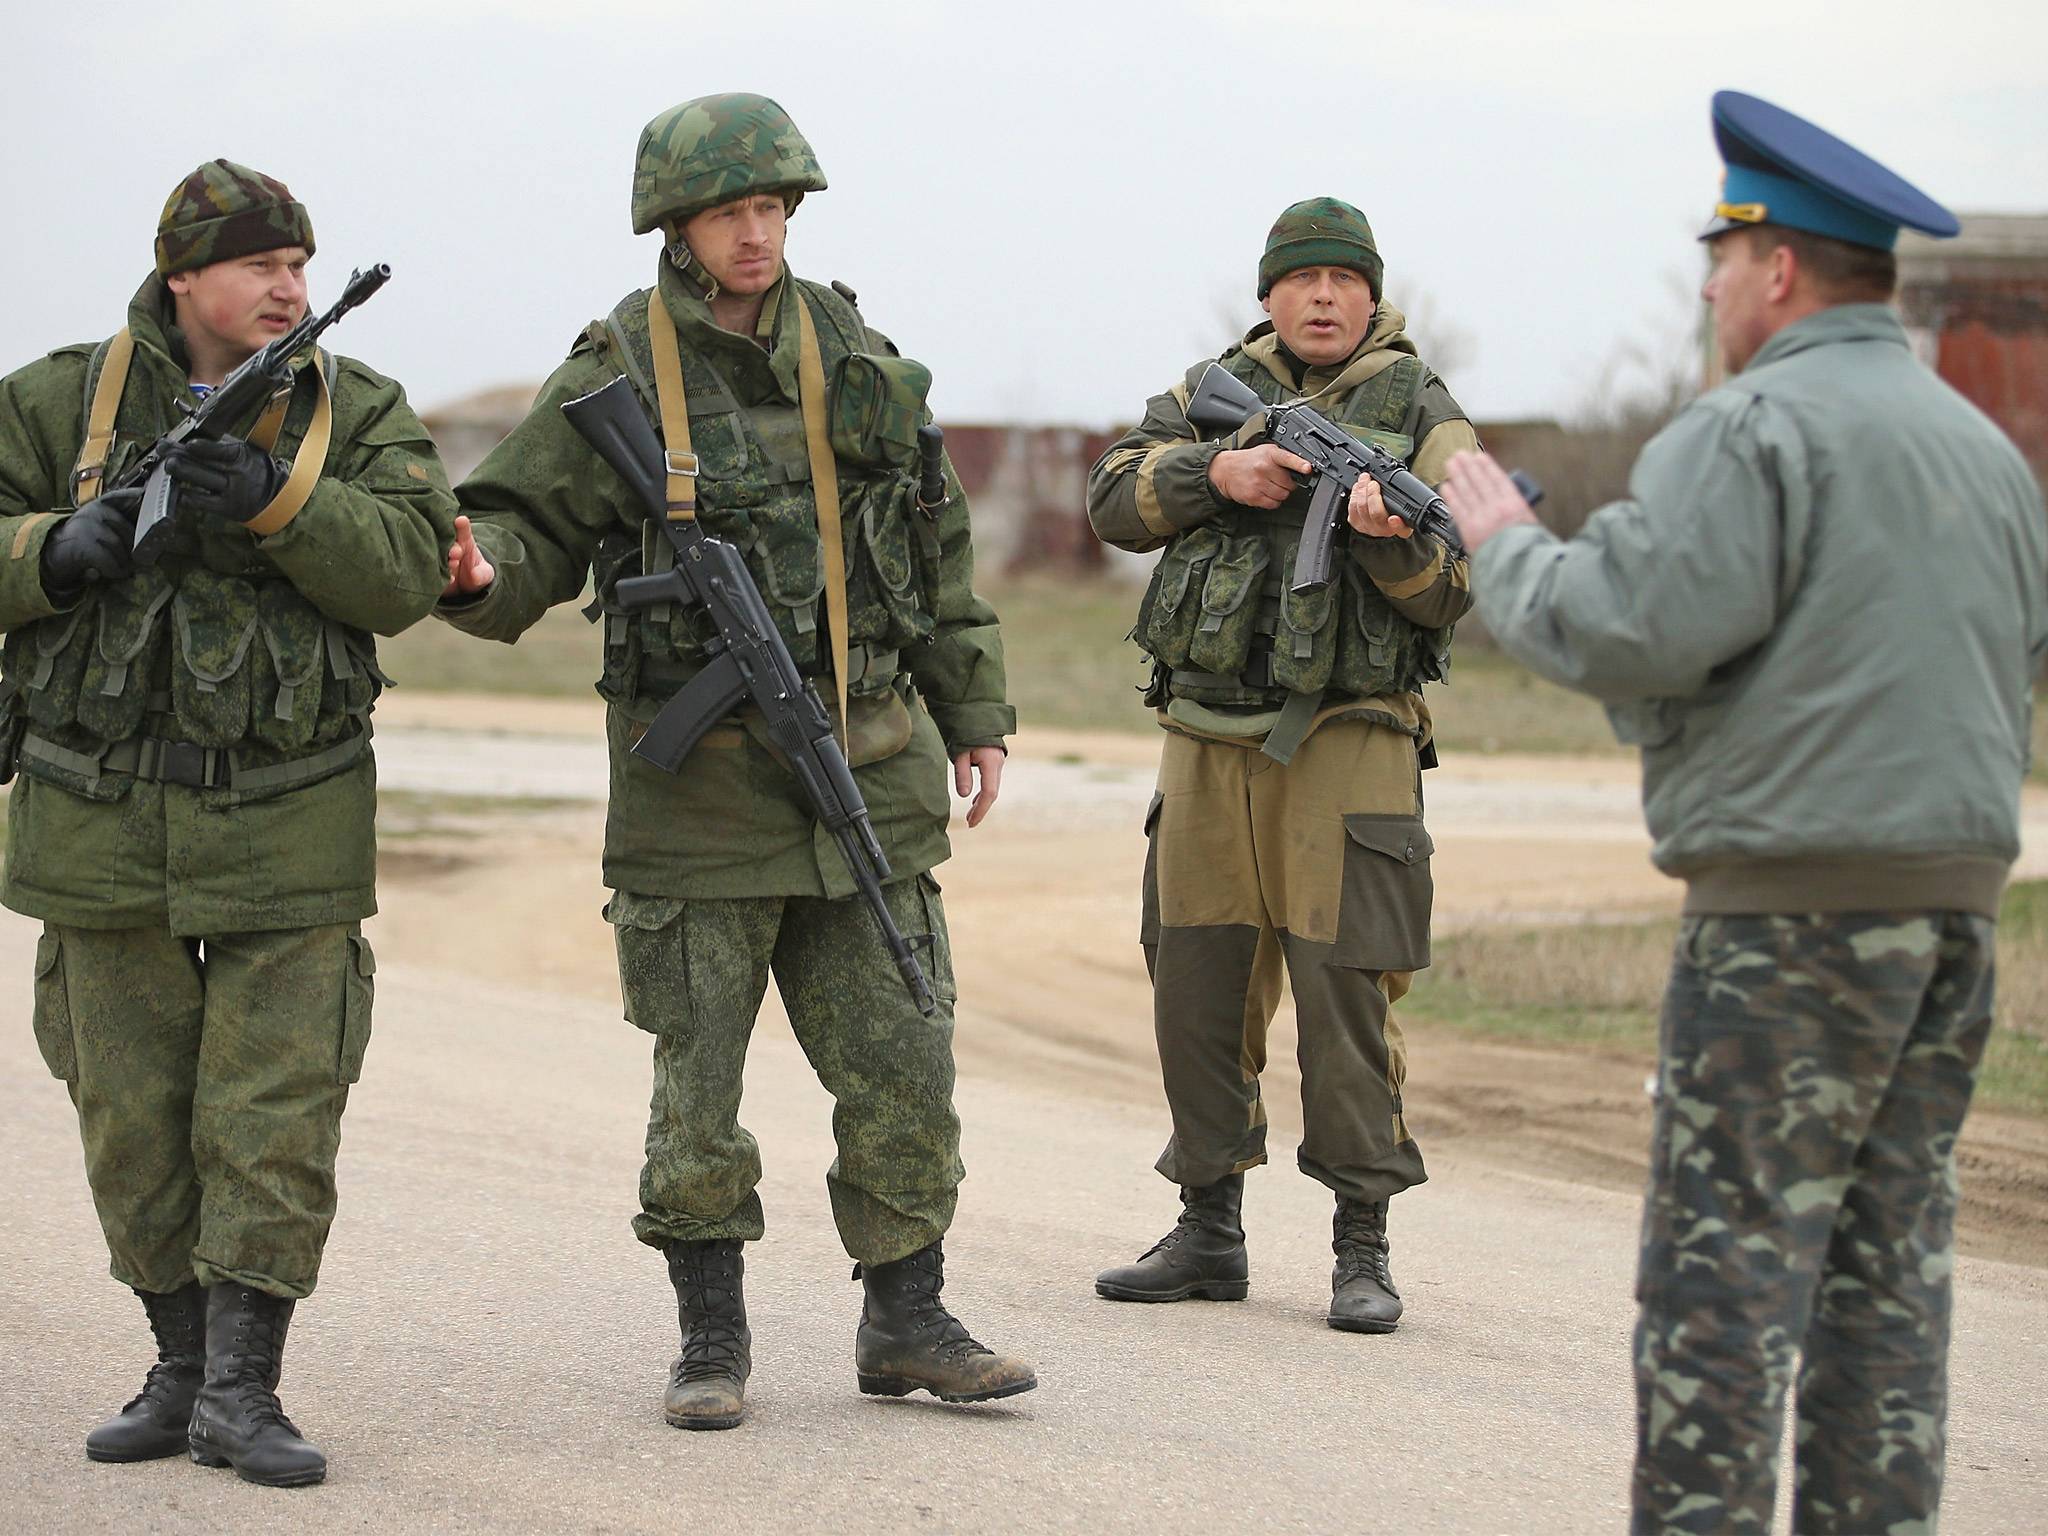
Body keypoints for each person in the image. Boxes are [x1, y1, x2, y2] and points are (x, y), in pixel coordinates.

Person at [1438, 91, 2047, 1535]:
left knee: (1724, 1292)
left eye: (1720, 260)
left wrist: (1505, 551)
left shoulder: (1752, 426)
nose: (1710, 288)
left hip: (1789, 931)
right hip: (1953, 918)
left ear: (1778, 271)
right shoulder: (1987, 457)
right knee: (1887, 1282)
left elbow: (1630, 626)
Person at [436, 92, 1033, 1429]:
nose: (755, 235)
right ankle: (711, 1337)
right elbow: (523, 520)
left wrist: (976, 712)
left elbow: (930, 546)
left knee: (904, 1054)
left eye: (771, 209)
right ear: (678, 226)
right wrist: (475, 571)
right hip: (697, 794)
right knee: (697, 1082)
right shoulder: (620, 365)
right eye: (728, 214)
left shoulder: (852, 347)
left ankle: (909, 1318)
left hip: (867, 765)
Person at [0, 160, 459, 1486]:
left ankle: (246, 1391)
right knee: (130, 1114)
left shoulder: (350, 412)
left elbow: (401, 573)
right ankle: (180, 1369)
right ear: (182, 276)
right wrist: (49, 551)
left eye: (301, 268)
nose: (287, 290)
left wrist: (275, 496)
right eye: (259, 265)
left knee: (274, 1113)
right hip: (96, 815)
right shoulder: (52, 402)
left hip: (292, 816)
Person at [1085, 198, 1478, 1333]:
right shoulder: (1203, 389)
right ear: (1265, 296)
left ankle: (1362, 1244)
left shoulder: (1424, 411)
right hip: (1206, 738)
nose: (1320, 298)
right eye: (1299, 279)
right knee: (1193, 988)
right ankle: (1208, 1228)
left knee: (1346, 992)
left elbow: (1459, 581)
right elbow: (1113, 495)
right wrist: (1222, 476)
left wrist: (1383, 543)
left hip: (1347, 743)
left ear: (1371, 295)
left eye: (1342, 281)